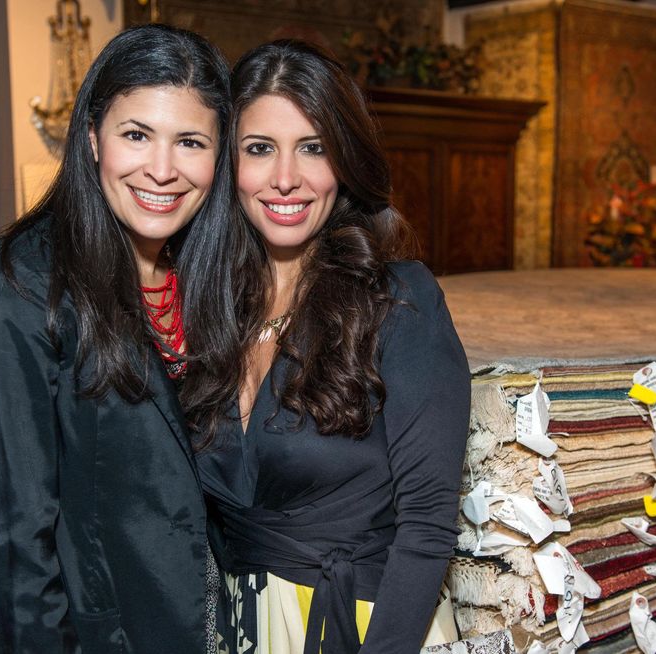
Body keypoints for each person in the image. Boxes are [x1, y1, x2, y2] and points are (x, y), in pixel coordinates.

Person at [0, 24, 238, 653]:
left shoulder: (206, 278)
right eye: (136, 134)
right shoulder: (12, 290)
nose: (162, 169)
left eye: (190, 141)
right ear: (93, 137)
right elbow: (11, 547)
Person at [187, 40, 471, 654]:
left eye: (312, 148)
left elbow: (427, 527)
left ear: (344, 161)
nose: (286, 178)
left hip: (368, 627)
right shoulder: (209, 309)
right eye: (260, 149)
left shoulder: (399, 300)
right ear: (227, 164)